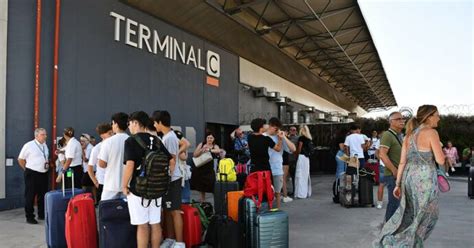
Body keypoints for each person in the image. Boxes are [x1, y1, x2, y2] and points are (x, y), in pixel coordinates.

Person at [375, 105, 445, 247]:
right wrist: (439, 146)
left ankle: (400, 241)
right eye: (437, 115)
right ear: (429, 116)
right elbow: (440, 160)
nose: (439, 118)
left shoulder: (409, 135)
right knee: (426, 216)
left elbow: (402, 162)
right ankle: (404, 243)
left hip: (409, 179)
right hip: (424, 180)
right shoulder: (431, 133)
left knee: (410, 214)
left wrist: (398, 184)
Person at [122, 111, 172, 248]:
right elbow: (170, 160)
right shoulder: (156, 140)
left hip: (138, 188)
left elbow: (129, 166)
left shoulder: (131, 141)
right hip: (157, 188)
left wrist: (124, 185)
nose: (129, 127)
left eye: (130, 123)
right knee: (155, 223)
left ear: (136, 123)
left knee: (142, 225)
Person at [152, 110, 183, 248]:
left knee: (175, 211)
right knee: (168, 210)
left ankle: (180, 242)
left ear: (159, 122)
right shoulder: (167, 137)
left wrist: (166, 178)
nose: (154, 125)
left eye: (154, 122)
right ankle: (170, 238)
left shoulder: (169, 138)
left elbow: (172, 160)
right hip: (170, 179)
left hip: (172, 179)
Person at [18, 128, 49, 224]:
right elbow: (20, 159)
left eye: (45, 134)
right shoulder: (29, 145)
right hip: (32, 174)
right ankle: (30, 217)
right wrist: (27, 170)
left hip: (43, 173)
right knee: (30, 195)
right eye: (43, 134)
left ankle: (41, 214)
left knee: (42, 195)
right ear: (36, 136)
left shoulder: (44, 145)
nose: (45, 136)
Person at [378, 112, 405, 221]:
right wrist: (394, 170)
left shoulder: (398, 136)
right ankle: (388, 231)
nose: (402, 121)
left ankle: (392, 230)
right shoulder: (388, 135)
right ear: (391, 122)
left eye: (403, 119)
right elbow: (382, 154)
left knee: (398, 204)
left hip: (398, 175)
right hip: (393, 176)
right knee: (394, 204)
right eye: (398, 119)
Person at [98, 112, 129, 201]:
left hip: (110, 185)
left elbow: (102, 164)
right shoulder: (132, 140)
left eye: (112, 123)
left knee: (107, 212)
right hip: (127, 185)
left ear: (115, 123)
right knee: (125, 213)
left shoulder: (108, 142)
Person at [266, 117, 296, 207]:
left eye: (277, 129)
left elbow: (293, 149)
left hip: (277, 169)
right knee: (266, 193)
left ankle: (277, 212)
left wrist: (284, 138)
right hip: (265, 168)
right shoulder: (264, 136)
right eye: (274, 128)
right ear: (270, 126)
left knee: (277, 193)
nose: (275, 130)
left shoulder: (280, 137)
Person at [87, 123, 113, 204]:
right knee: (103, 207)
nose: (112, 135)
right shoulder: (97, 148)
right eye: (110, 133)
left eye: (112, 133)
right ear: (102, 135)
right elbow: (90, 167)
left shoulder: (114, 145)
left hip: (113, 182)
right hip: (102, 182)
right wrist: (96, 182)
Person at [191, 132, 220, 202]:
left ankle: (216, 202)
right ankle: (202, 202)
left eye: (211, 138)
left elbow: (218, 150)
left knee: (212, 185)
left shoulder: (215, 146)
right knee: (201, 187)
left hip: (209, 168)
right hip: (201, 167)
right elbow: (194, 154)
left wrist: (209, 150)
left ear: (213, 139)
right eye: (208, 138)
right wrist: (202, 150)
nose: (209, 139)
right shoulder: (202, 144)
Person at [294, 125, 313, 199]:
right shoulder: (309, 138)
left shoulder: (301, 138)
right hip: (307, 158)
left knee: (300, 174)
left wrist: (296, 154)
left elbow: (299, 148)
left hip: (301, 157)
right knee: (305, 175)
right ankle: (306, 192)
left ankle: (300, 193)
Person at [287, 126, 299, 195]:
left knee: (294, 176)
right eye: (291, 130)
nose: (292, 131)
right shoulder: (287, 138)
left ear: (296, 131)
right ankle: (287, 190)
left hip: (293, 159)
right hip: (286, 159)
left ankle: (295, 190)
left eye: (294, 130)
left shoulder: (297, 138)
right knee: (286, 177)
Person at [375, 131, 386, 210]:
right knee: (396, 184)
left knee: (381, 184)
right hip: (393, 165)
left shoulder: (380, 140)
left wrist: (381, 160)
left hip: (383, 165)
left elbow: (376, 153)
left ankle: (379, 203)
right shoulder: (395, 138)